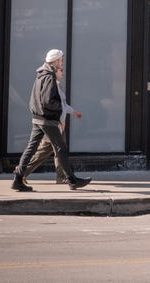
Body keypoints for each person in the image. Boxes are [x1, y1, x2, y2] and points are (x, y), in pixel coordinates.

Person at [12, 49, 92, 191]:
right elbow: (47, 101)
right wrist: (61, 109)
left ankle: (18, 180)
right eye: (61, 60)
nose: (62, 63)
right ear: (55, 61)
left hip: (37, 118)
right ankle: (72, 180)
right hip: (47, 120)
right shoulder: (49, 76)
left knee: (31, 148)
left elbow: (34, 98)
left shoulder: (40, 74)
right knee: (60, 148)